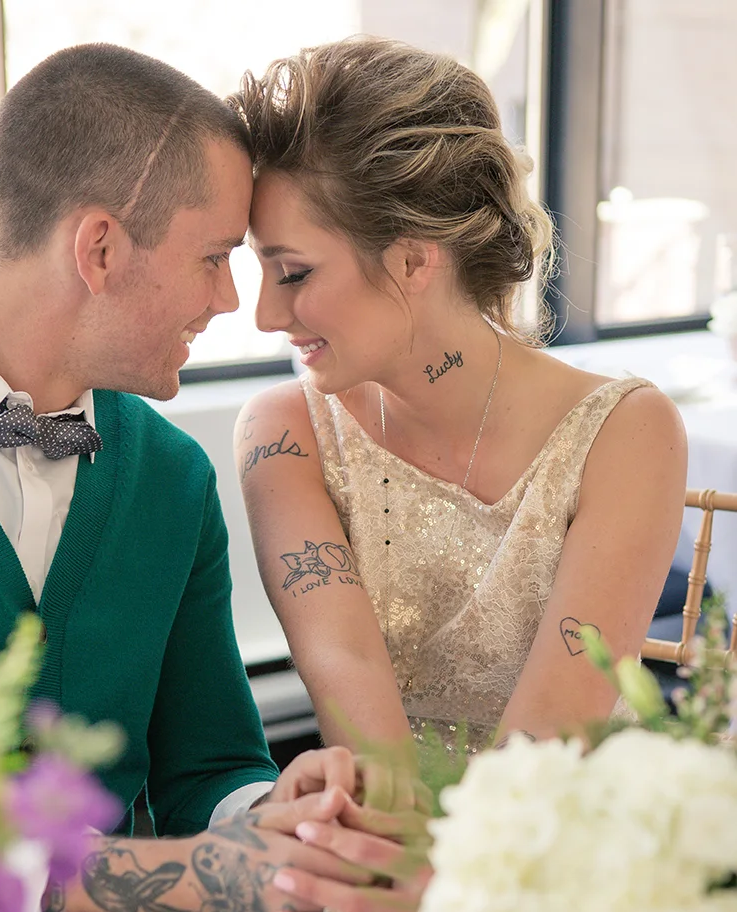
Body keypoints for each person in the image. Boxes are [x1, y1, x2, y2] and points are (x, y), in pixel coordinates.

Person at [0, 43, 423, 912]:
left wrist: (273, 814)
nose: (233, 300)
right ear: (99, 248)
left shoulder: (173, 476)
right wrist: (188, 884)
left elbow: (209, 766)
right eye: (215, 257)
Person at [228, 37, 687, 773]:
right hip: (391, 839)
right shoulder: (285, 433)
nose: (264, 315)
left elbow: (552, 740)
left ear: (414, 259)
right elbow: (359, 716)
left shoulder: (626, 431)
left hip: (576, 837)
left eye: (293, 272)